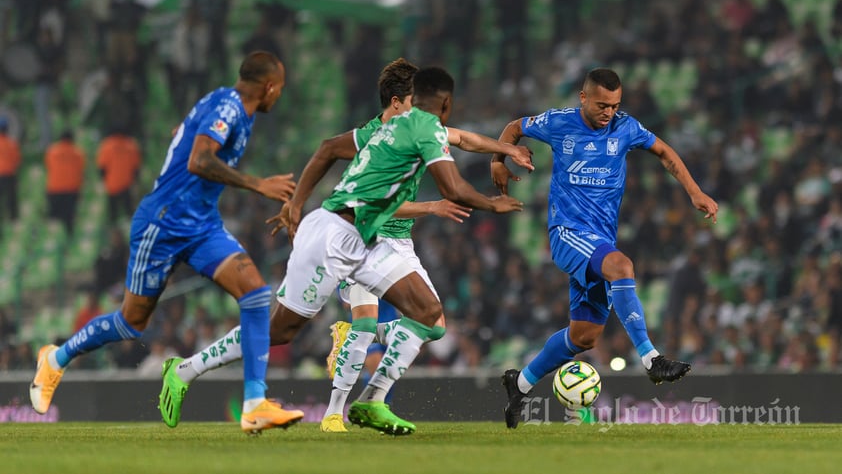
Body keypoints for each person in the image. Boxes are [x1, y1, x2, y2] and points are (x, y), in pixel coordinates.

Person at [159, 65, 525, 435]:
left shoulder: (406, 127)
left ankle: (371, 401)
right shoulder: (398, 128)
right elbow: (450, 187)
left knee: (429, 316)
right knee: (281, 331)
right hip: (335, 237)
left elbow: (460, 140)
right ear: (434, 103)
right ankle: (185, 370)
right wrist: (494, 204)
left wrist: (505, 147)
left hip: (368, 241)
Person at [29, 51, 303, 435]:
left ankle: (255, 404)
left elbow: (185, 134)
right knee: (130, 322)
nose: (280, 96)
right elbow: (198, 160)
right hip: (163, 223)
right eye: (281, 89)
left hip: (201, 225)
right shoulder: (229, 106)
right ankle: (55, 358)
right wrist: (258, 184)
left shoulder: (225, 102)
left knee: (256, 295)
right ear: (269, 86)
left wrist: (186, 135)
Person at [490, 67, 719, 429]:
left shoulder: (625, 128)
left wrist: (695, 191)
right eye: (601, 105)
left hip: (599, 240)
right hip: (567, 232)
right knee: (622, 266)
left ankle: (519, 385)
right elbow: (515, 127)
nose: (608, 112)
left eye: (614, 105)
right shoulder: (558, 122)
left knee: (584, 336)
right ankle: (651, 359)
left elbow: (664, 151)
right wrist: (497, 160)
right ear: (583, 98)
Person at [96, 125, 142, 222]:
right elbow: (136, 167)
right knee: (129, 212)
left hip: (112, 185)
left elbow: (102, 167)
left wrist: (103, 181)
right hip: (127, 185)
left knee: (113, 213)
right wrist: (136, 183)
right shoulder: (131, 145)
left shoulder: (106, 145)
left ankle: (114, 232)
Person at [44, 129, 86, 235]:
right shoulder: (78, 153)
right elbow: (81, 170)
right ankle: (69, 239)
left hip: (54, 189)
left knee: (54, 219)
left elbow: (48, 166)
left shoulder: (52, 151)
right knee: (69, 219)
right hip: (71, 190)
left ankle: (53, 241)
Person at [0, 117, 22, 230]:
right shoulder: (12, 143)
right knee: (11, 200)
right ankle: (13, 223)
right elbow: (17, 160)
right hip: (9, 174)